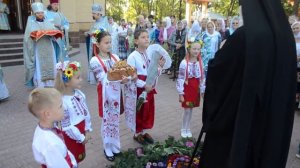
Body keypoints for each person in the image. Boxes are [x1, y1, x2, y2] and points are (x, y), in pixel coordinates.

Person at [199, 0, 296, 167]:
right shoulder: (286, 38)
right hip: (272, 123)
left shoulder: (245, 36)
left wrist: (220, 54)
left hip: (239, 120)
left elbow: (219, 73)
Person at [89, 29, 136, 161]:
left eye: (110, 42)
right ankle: (107, 147)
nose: (109, 45)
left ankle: (115, 145)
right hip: (105, 94)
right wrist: (121, 79)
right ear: (97, 44)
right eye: (106, 43)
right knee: (106, 120)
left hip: (116, 94)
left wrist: (128, 77)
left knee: (115, 119)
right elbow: (102, 78)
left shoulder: (115, 57)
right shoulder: (95, 60)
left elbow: (123, 72)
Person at [127, 29, 171, 145]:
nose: (146, 39)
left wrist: (160, 67)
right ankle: (137, 134)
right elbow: (132, 76)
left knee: (148, 111)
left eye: (147, 37)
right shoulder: (132, 57)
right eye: (143, 37)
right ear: (136, 41)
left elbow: (153, 72)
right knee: (139, 111)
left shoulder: (150, 54)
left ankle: (144, 131)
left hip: (149, 88)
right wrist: (143, 85)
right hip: (139, 89)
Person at [28, 88, 77, 168]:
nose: (64, 108)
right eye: (60, 106)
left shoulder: (47, 127)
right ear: (48, 114)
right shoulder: (50, 144)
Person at [54, 61, 92, 163]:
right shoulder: (63, 102)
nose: (81, 80)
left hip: (81, 129)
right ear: (66, 81)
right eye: (78, 78)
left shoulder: (80, 94)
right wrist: (81, 137)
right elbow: (66, 126)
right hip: (71, 135)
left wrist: (87, 129)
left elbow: (86, 113)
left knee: (79, 157)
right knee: (71, 158)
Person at [24, 2, 63, 88]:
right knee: (39, 65)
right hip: (38, 48)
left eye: (41, 12)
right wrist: (35, 35)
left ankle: (51, 83)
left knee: (51, 64)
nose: (40, 14)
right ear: (34, 13)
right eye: (38, 13)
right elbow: (27, 38)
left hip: (49, 47)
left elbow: (54, 33)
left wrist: (54, 34)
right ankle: (40, 83)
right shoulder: (31, 23)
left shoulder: (48, 22)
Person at [176, 41, 205, 138]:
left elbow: (202, 78)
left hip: (195, 89)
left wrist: (202, 90)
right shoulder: (184, 63)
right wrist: (180, 93)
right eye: (194, 49)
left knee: (191, 109)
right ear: (189, 49)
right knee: (187, 110)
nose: (196, 51)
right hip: (187, 89)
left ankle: (188, 128)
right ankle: (183, 128)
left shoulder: (200, 62)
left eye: (198, 49)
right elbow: (180, 78)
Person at [85, 3, 109, 84]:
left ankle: (102, 76)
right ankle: (94, 78)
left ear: (99, 13)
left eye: (94, 13)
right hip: (93, 46)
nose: (93, 15)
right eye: (92, 13)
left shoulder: (105, 22)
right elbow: (92, 32)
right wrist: (88, 33)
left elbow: (108, 33)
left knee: (100, 60)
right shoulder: (94, 23)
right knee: (94, 60)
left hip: (101, 46)